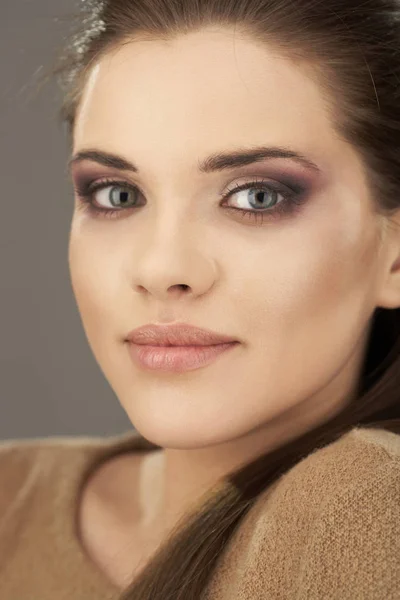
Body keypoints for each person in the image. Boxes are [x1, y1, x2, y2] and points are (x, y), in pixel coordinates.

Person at [1, 0, 400, 598]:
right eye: (116, 194)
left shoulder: (367, 502)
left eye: (257, 197)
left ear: (393, 254)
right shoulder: (13, 490)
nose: (162, 269)